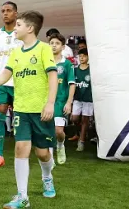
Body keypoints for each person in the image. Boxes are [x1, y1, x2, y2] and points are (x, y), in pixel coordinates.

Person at [0, 11, 58, 208]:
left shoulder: (44, 49)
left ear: (30, 28)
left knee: (43, 153)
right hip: (21, 110)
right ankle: (22, 197)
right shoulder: (15, 53)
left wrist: (50, 103)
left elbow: (53, 77)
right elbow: (5, 75)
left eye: (18, 25)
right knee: (21, 148)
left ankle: (47, 176)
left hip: (41, 110)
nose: (15, 29)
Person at [0, 1, 23, 168]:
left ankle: (23, 152)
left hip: (21, 81)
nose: (5, 13)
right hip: (2, 81)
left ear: (16, 13)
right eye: (3, 11)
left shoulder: (22, 34)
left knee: (21, 116)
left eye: (9, 10)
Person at [49, 33, 75, 165]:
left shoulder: (67, 64)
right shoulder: (45, 62)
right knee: (47, 131)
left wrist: (69, 102)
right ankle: (50, 159)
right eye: (52, 43)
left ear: (63, 47)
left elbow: (72, 84)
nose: (54, 45)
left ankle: (60, 145)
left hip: (60, 101)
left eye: (57, 43)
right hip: (47, 102)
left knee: (58, 131)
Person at [71, 48, 93, 151]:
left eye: (84, 56)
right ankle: (82, 132)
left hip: (88, 99)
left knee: (85, 120)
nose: (82, 58)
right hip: (77, 98)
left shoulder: (91, 70)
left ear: (88, 57)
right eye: (80, 56)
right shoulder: (75, 69)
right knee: (74, 118)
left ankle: (82, 141)